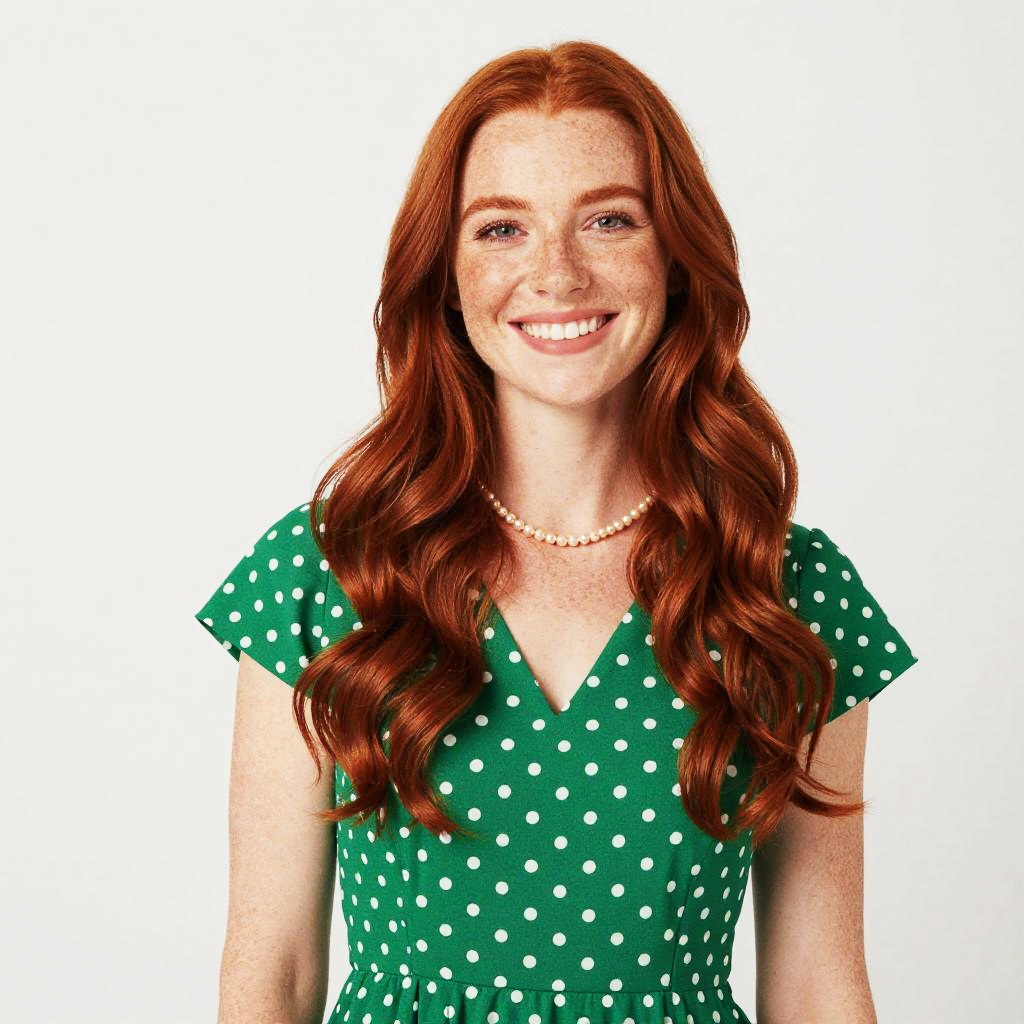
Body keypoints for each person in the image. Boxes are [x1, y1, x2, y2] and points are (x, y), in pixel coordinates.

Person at [195, 40, 919, 1024]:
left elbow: (817, 986)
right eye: (500, 229)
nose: (557, 273)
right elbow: (268, 974)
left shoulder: (780, 589)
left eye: (609, 219)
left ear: (674, 256)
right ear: (445, 272)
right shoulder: (327, 571)